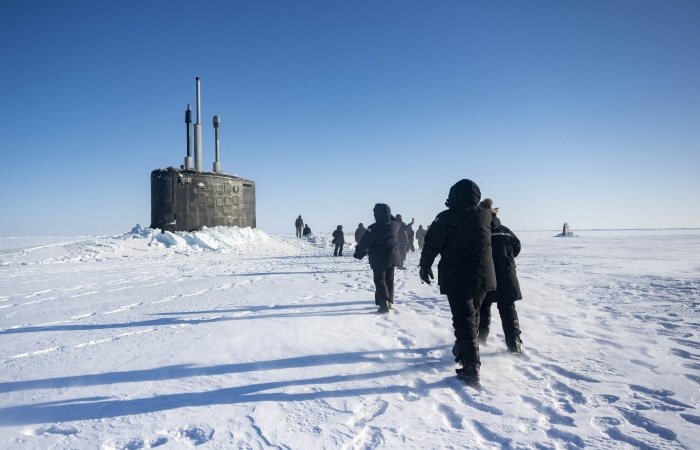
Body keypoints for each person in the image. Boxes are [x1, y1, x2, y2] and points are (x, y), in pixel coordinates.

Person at [419, 179, 496, 387]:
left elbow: (432, 243)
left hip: (458, 275)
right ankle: (466, 350)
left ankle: (471, 368)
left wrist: (424, 265)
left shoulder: (446, 217)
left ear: (453, 195)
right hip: (483, 276)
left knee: (464, 320)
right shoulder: (485, 215)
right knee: (474, 315)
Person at [477, 198, 524, 353]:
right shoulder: (505, 230)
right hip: (507, 275)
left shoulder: (480, 231)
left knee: (483, 308)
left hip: (486, 276)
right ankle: (514, 344)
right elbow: (517, 248)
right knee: (508, 309)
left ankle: (481, 341)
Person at [354, 203, 401, 313]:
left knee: (380, 280)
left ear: (378, 214)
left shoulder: (374, 228)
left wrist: (358, 252)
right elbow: (395, 219)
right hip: (393, 256)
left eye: (375, 213)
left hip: (379, 257)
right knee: (389, 279)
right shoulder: (395, 225)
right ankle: (390, 301)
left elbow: (364, 242)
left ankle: (384, 303)